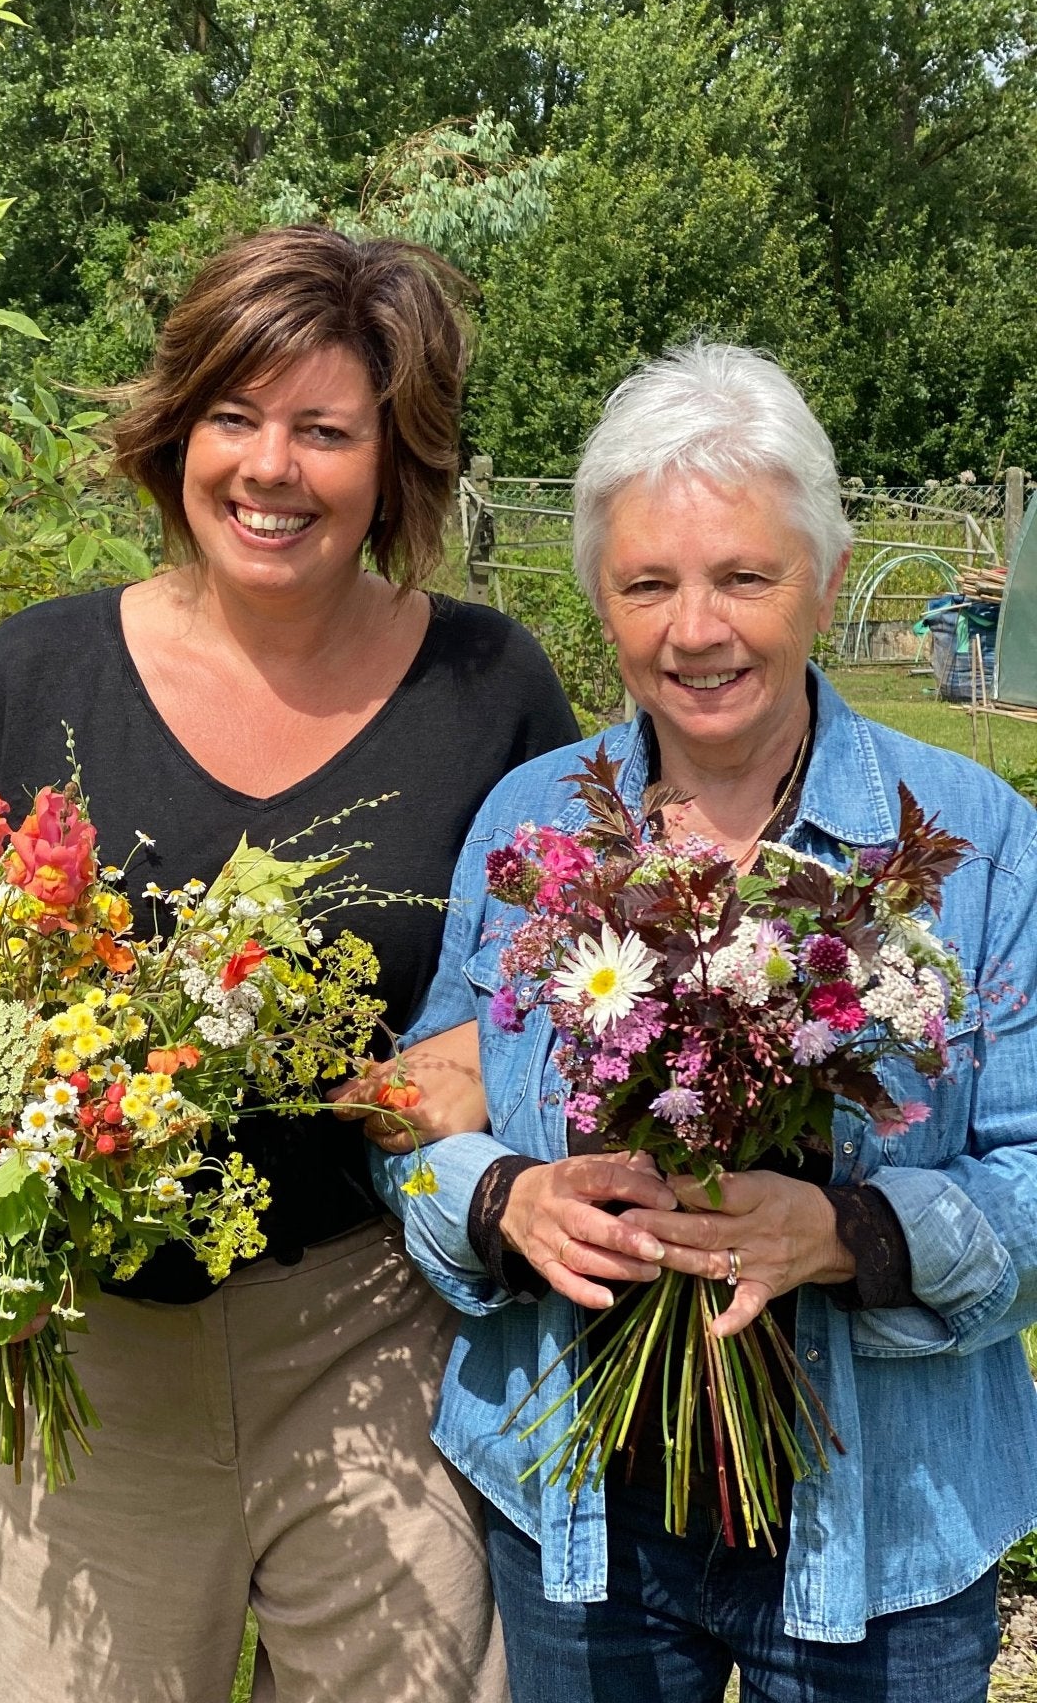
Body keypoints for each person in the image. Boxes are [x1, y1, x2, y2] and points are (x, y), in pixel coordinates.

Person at [0, 224, 578, 1703]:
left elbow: (572, 989)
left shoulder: (489, 688)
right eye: (234, 417)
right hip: (95, 1355)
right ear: (176, 436)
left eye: (325, 431)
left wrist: (487, 1061)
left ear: (393, 463)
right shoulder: (41, 674)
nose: (271, 468)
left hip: (383, 1334)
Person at [356, 342, 1037, 1703]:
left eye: (744, 576)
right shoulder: (534, 826)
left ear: (827, 581)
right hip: (581, 1521)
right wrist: (506, 1203)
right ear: (600, 600)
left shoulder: (982, 843)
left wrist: (852, 1235)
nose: (696, 629)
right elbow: (410, 1120)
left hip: (885, 1523)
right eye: (648, 584)